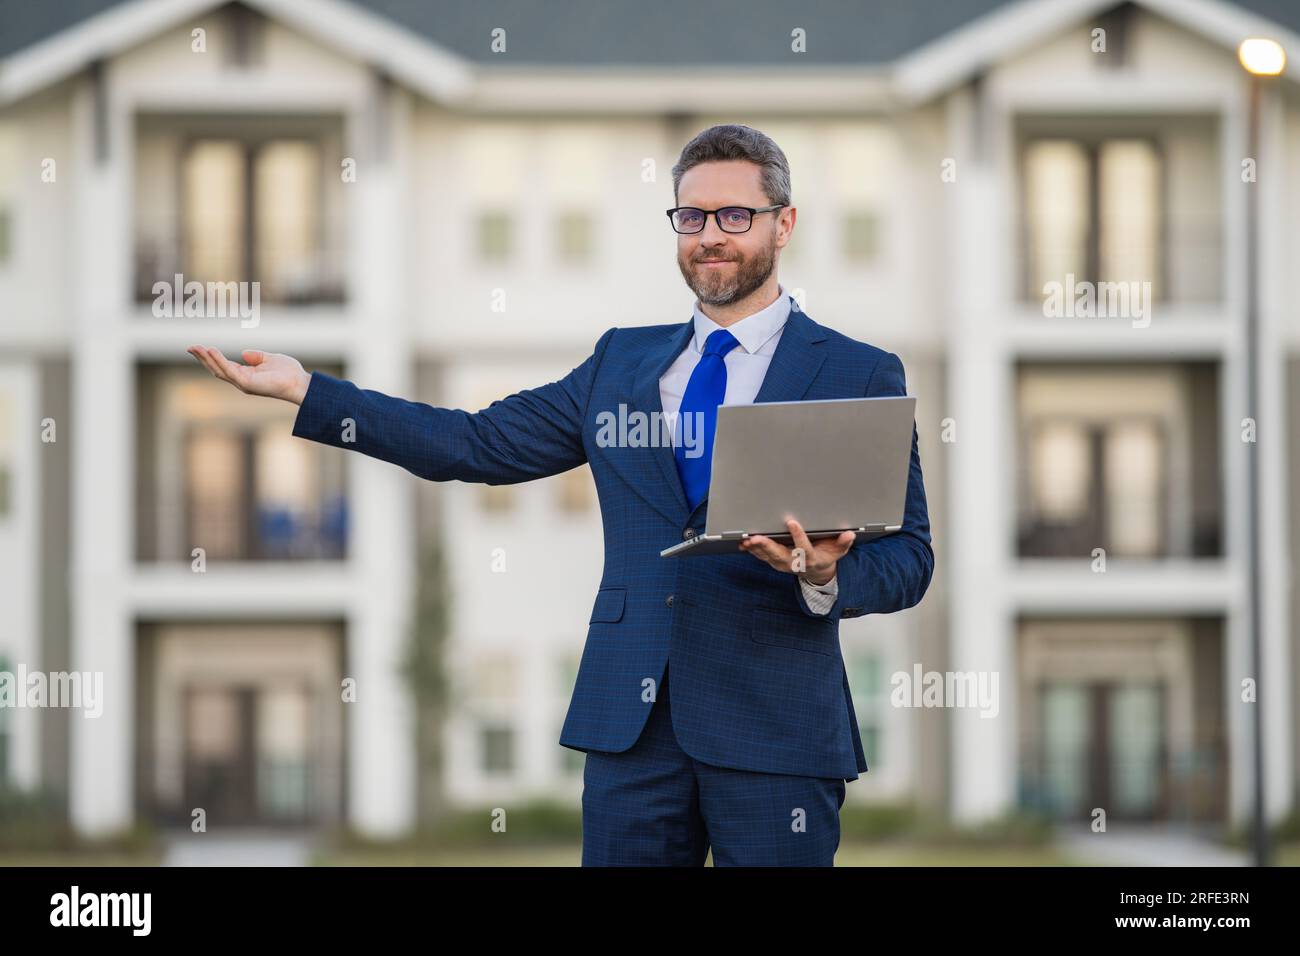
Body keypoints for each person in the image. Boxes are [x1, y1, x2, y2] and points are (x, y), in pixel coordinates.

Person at [188, 123, 933, 866]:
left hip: (777, 732)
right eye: (692, 216)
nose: (710, 235)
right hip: (631, 733)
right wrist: (311, 391)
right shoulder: (620, 363)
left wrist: (826, 576)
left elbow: (910, 558)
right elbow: (472, 443)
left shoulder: (857, 372)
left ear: (784, 224)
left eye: (734, 216)